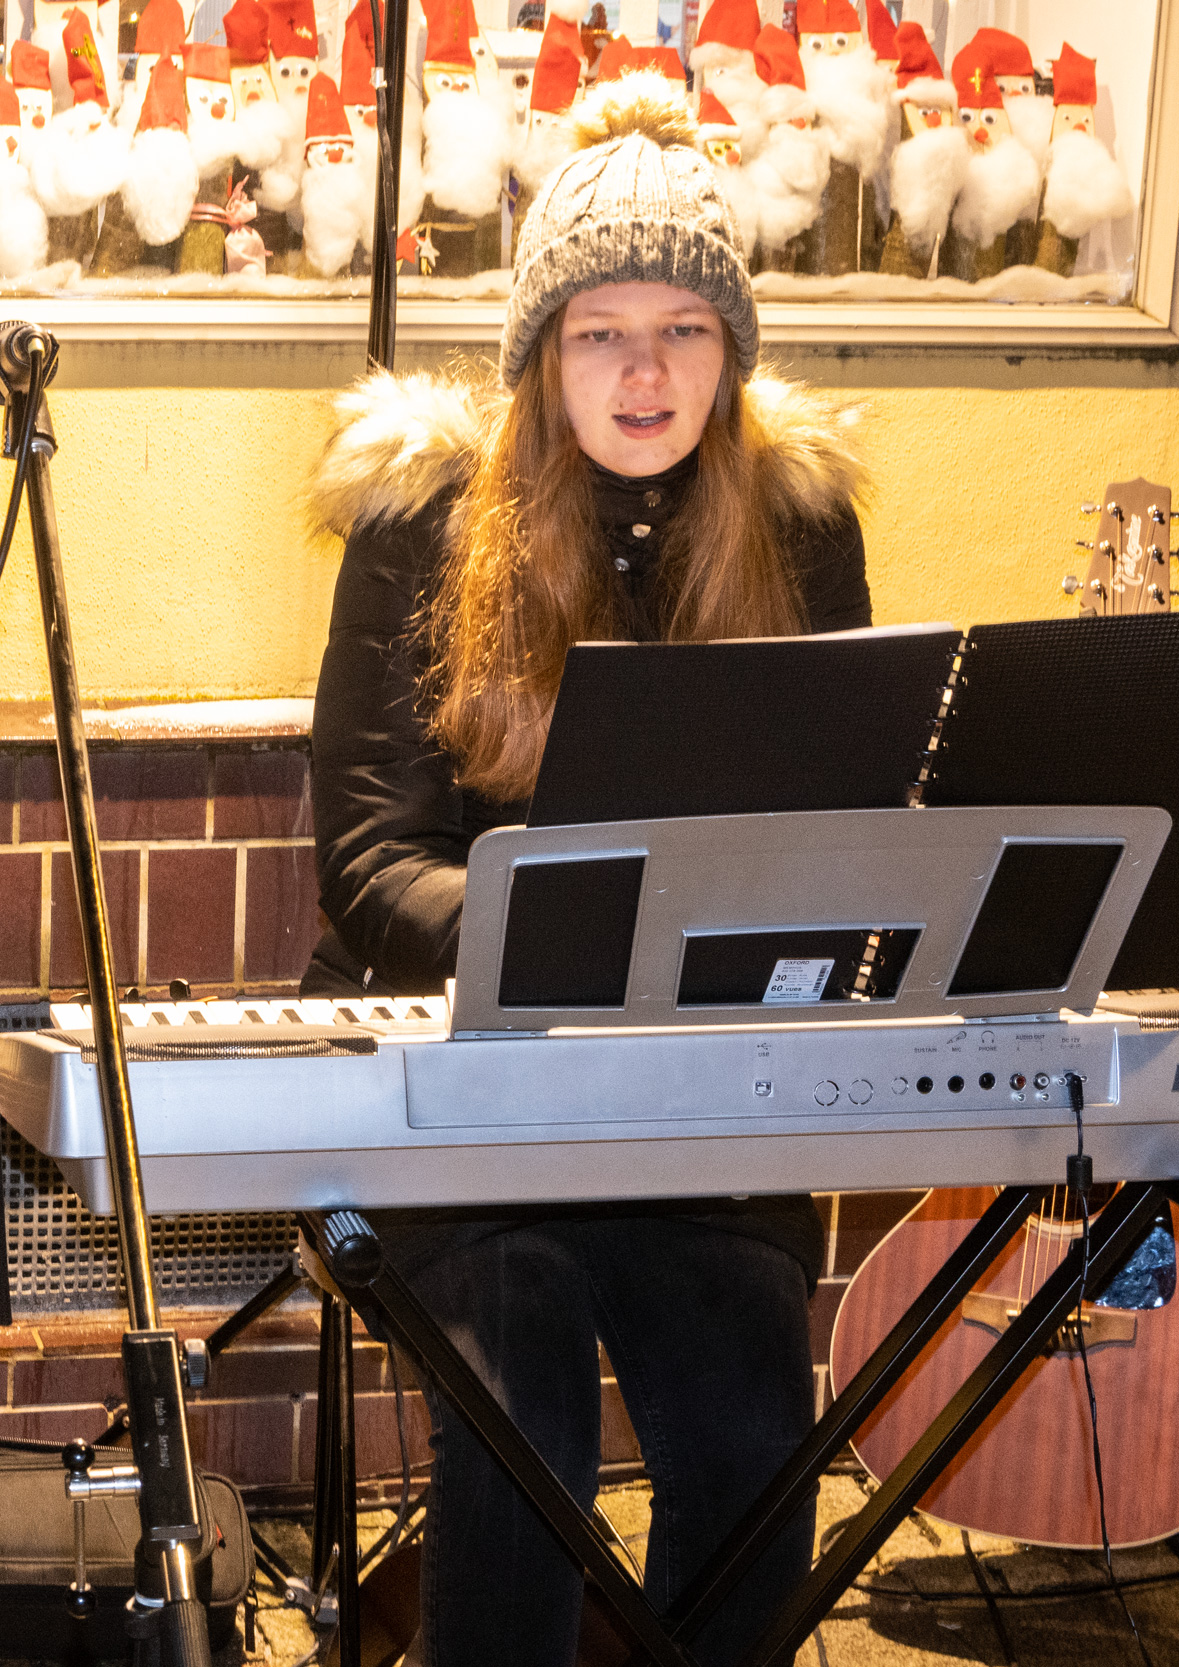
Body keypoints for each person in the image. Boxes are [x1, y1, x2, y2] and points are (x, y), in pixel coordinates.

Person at [301, 76, 872, 1667]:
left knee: (755, 1427)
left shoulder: (802, 535)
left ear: (731, 357)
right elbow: (366, 865)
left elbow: (837, 836)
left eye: (683, 330)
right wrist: (578, 943)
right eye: (599, 330)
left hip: (698, 1104)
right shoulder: (424, 530)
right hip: (463, 1097)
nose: (642, 369)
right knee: (524, 1398)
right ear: (541, 355)